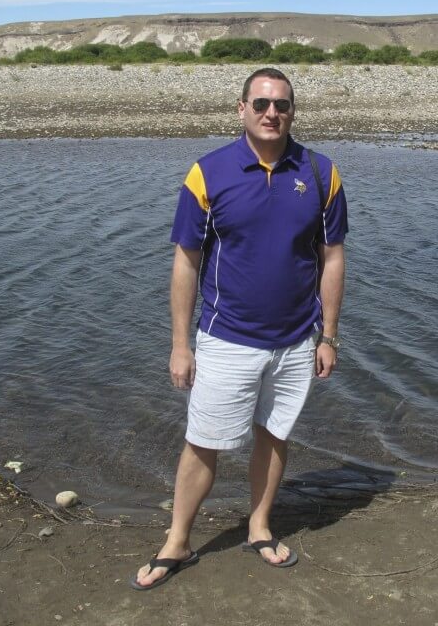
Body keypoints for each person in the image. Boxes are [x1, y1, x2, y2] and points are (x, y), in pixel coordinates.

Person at [131, 67, 348, 591]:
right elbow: (186, 262)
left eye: (282, 104)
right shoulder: (208, 173)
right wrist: (180, 345)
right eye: (261, 104)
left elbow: (333, 256)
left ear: (293, 111)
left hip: (297, 341)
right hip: (227, 339)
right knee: (204, 441)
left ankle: (258, 526)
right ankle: (177, 541)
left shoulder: (321, 173)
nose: (272, 113)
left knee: (274, 438)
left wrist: (328, 335)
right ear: (241, 109)